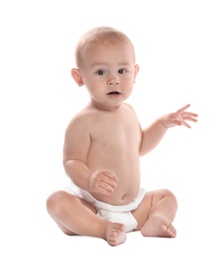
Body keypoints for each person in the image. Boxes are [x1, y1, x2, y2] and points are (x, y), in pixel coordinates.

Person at [46, 26, 198, 246]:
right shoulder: (83, 121)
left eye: (121, 71)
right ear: (79, 77)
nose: (113, 80)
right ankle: (101, 227)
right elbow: (72, 161)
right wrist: (89, 179)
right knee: (57, 202)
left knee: (167, 196)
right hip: (93, 205)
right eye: (101, 72)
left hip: (135, 207)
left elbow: (140, 147)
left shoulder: (129, 112)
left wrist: (163, 124)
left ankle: (155, 220)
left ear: (135, 73)